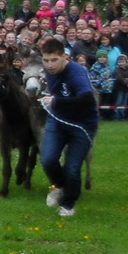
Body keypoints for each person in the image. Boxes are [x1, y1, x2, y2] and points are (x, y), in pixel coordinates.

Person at [36, 36, 97, 219]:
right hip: (58, 120)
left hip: (82, 125)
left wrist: (55, 101)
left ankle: (68, 204)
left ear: (65, 57)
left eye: (54, 60)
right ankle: (59, 185)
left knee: (72, 167)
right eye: (46, 60)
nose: (50, 65)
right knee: (47, 159)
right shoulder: (49, 71)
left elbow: (87, 100)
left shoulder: (77, 73)